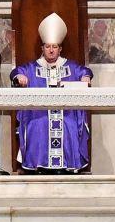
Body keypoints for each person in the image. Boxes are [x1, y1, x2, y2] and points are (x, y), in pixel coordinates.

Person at [11, 13, 93, 172]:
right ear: (42, 48)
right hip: (39, 114)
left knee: (69, 125)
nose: (50, 51)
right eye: (47, 47)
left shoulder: (71, 67)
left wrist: (85, 76)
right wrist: (19, 76)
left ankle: (68, 166)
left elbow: (85, 70)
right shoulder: (32, 68)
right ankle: (38, 165)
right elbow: (16, 71)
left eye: (54, 47)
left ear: (60, 49)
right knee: (38, 125)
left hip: (66, 114)